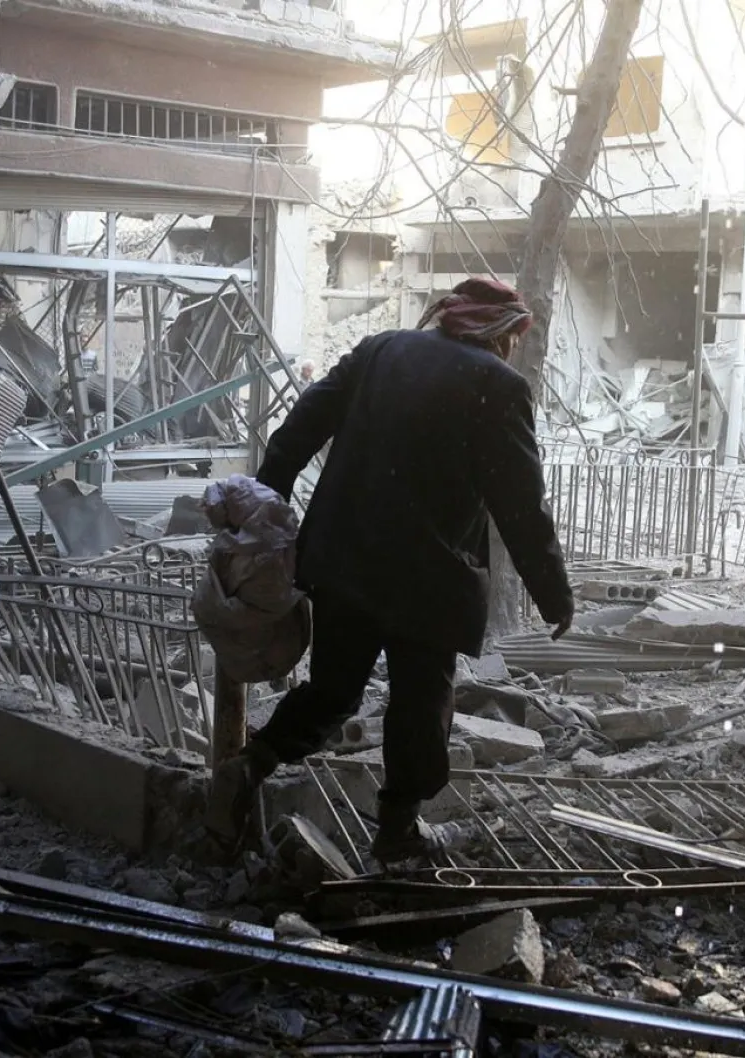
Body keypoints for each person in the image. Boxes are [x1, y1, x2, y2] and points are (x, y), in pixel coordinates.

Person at [206, 277, 574, 861]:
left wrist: (267, 505)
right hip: (426, 581)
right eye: (512, 338)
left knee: (332, 691)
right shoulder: (499, 386)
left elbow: (302, 424)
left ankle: (250, 764)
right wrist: (554, 594)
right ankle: (398, 829)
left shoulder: (380, 349)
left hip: (342, 558)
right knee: (421, 704)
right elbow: (521, 505)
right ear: (501, 334)